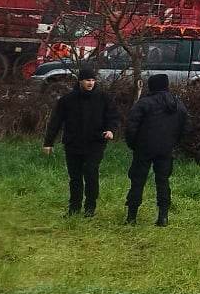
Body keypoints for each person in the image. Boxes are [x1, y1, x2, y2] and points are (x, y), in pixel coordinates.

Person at [43, 68, 118, 217]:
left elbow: (112, 116)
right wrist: (48, 142)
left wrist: (110, 129)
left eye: (92, 80)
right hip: (73, 143)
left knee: (91, 173)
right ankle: (74, 208)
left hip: (95, 142)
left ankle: (90, 208)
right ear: (80, 81)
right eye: (87, 80)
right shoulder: (67, 100)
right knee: (75, 177)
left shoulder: (103, 98)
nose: (90, 83)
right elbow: (56, 122)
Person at [124, 73, 188, 226]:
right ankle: (163, 216)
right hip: (166, 149)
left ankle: (131, 217)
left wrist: (134, 145)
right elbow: (185, 128)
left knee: (137, 181)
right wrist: (173, 143)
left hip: (144, 148)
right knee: (163, 181)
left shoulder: (144, 103)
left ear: (151, 86)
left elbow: (131, 127)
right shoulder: (177, 104)